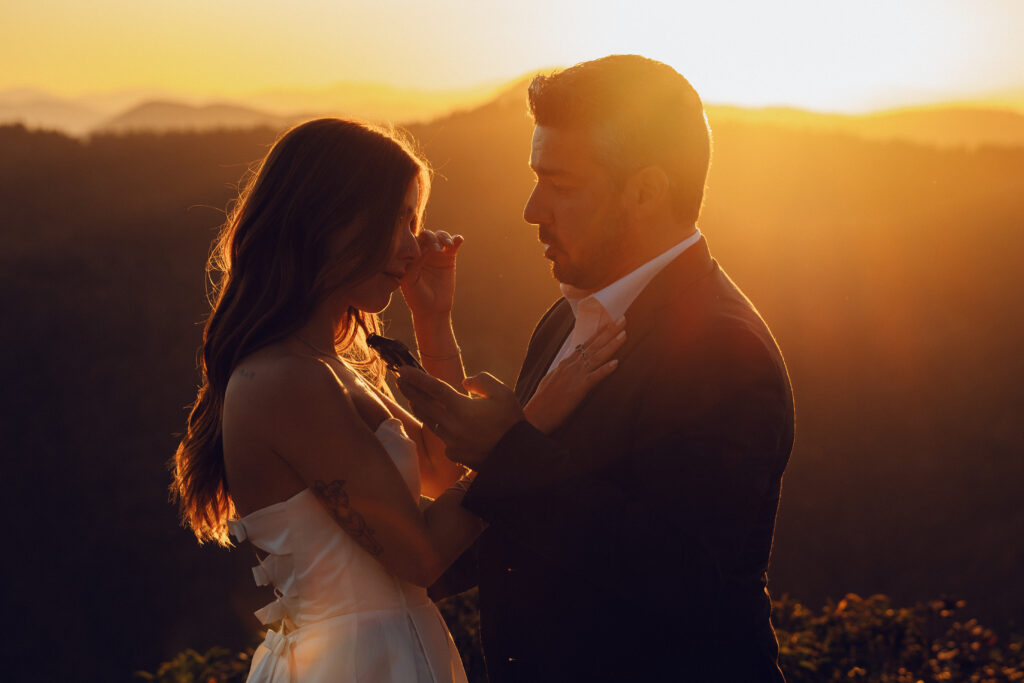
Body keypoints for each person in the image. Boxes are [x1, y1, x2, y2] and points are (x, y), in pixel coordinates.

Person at [169, 118, 623, 682]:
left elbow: (438, 470)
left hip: (387, 651)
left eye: (416, 222)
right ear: (327, 219)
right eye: (399, 221)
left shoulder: (327, 364)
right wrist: (532, 425)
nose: (413, 247)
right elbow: (423, 555)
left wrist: (433, 325)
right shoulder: (287, 379)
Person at [398, 55, 795, 682]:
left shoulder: (723, 346)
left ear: (644, 191)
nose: (533, 208)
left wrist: (510, 450)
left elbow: (686, 580)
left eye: (561, 184)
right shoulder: (564, 320)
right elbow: (515, 524)